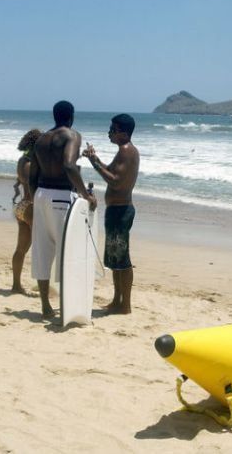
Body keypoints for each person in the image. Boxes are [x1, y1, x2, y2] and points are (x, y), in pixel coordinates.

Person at [29, 101, 97, 319]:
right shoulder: (72, 135)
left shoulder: (41, 139)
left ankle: (45, 306)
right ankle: (66, 306)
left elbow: (32, 175)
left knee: (42, 250)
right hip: (61, 196)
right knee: (67, 250)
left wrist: (35, 199)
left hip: (40, 194)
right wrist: (85, 195)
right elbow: (68, 165)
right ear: (71, 116)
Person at [83, 113, 140, 314]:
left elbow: (115, 180)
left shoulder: (127, 151)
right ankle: (117, 301)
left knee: (122, 260)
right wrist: (95, 159)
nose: (109, 133)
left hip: (121, 210)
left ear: (123, 133)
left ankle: (125, 304)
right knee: (116, 260)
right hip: (116, 210)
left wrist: (94, 162)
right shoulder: (123, 150)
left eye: (112, 130)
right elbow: (111, 171)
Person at [11, 129, 42, 295]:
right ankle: (43, 286)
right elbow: (35, 189)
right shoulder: (32, 164)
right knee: (40, 248)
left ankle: (16, 285)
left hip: (21, 206)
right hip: (31, 207)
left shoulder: (22, 160)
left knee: (21, 249)